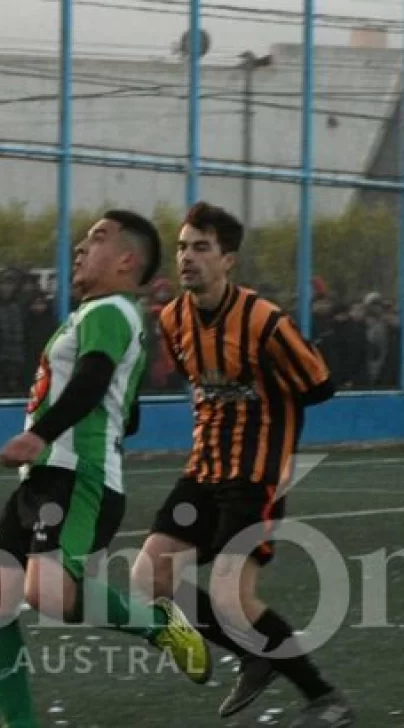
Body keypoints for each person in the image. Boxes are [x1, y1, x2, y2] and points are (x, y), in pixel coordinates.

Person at [0, 210, 211, 728]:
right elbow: (128, 408)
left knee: (48, 592)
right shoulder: (96, 316)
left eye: (97, 239)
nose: (81, 247)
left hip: (79, 478)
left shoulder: (113, 310)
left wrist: (41, 433)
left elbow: (96, 376)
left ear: (128, 262)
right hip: (44, 479)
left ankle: (157, 623)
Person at [131, 201, 353, 727]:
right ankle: (257, 655)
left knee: (234, 595)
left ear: (228, 259)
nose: (186, 257)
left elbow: (319, 386)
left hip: (254, 478)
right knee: (149, 576)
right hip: (203, 470)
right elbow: (198, 382)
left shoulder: (265, 321)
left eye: (200, 248)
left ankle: (327, 700)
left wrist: (267, 418)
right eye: (183, 246)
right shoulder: (172, 319)